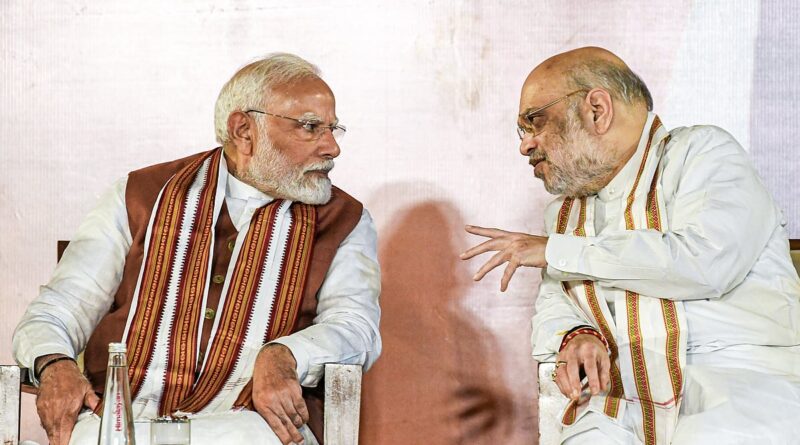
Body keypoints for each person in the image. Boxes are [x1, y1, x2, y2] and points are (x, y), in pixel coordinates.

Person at [13, 53, 381, 445]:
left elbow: (355, 328)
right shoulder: (140, 195)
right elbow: (58, 308)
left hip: (248, 426)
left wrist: (287, 354)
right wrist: (54, 362)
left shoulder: (344, 219)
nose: (332, 148)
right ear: (243, 130)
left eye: (332, 129)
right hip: (123, 421)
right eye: (310, 127)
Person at [461, 47, 800, 444]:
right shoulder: (566, 214)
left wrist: (556, 251)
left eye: (535, 122)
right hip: (623, 400)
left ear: (597, 110)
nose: (526, 145)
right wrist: (577, 335)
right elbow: (557, 302)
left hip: (736, 380)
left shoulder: (703, 154)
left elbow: (704, 264)